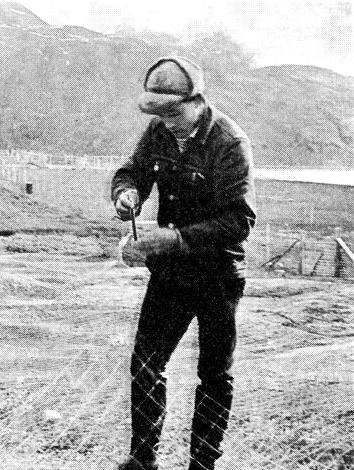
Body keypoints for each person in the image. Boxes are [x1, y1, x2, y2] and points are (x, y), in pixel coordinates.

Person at [111, 56, 256, 470]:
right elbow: (132, 171)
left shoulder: (229, 143)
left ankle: (203, 465)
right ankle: (142, 462)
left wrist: (175, 239)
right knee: (145, 364)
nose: (166, 123)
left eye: (173, 113)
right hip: (170, 276)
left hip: (218, 277)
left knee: (213, 376)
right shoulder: (159, 130)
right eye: (158, 114)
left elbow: (239, 221)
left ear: (197, 102)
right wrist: (127, 194)